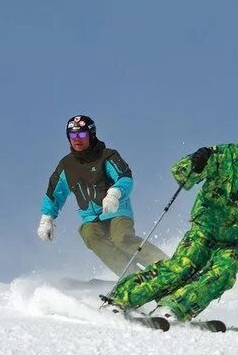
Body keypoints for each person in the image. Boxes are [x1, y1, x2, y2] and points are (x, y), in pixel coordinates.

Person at [103, 115, 238, 322]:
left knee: (221, 274)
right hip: (205, 230)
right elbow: (181, 174)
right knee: (182, 267)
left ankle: (172, 308)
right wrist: (196, 160)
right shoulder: (224, 156)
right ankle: (118, 300)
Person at [38, 115, 168, 274]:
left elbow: (125, 177)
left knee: (121, 238)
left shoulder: (107, 156)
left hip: (116, 210)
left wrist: (114, 194)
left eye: (82, 135)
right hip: (91, 218)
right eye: (73, 135)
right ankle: (132, 277)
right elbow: (54, 193)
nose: (77, 139)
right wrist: (47, 218)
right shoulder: (66, 165)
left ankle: (164, 264)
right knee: (89, 234)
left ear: (91, 135)